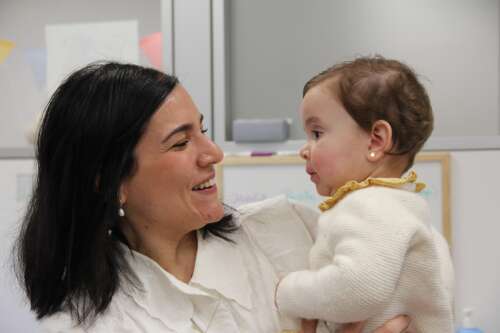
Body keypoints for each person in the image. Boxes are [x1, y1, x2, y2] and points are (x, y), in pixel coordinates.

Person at [15, 62, 412, 332]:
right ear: (111, 181)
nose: (213, 153)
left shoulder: (291, 232)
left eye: (202, 130)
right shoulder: (83, 324)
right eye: (181, 142)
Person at [275, 56, 454, 332]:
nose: (305, 149)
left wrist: (288, 291)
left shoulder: (368, 204)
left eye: (317, 133)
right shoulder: (415, 217)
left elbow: (357, 287)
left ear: (376, 140)